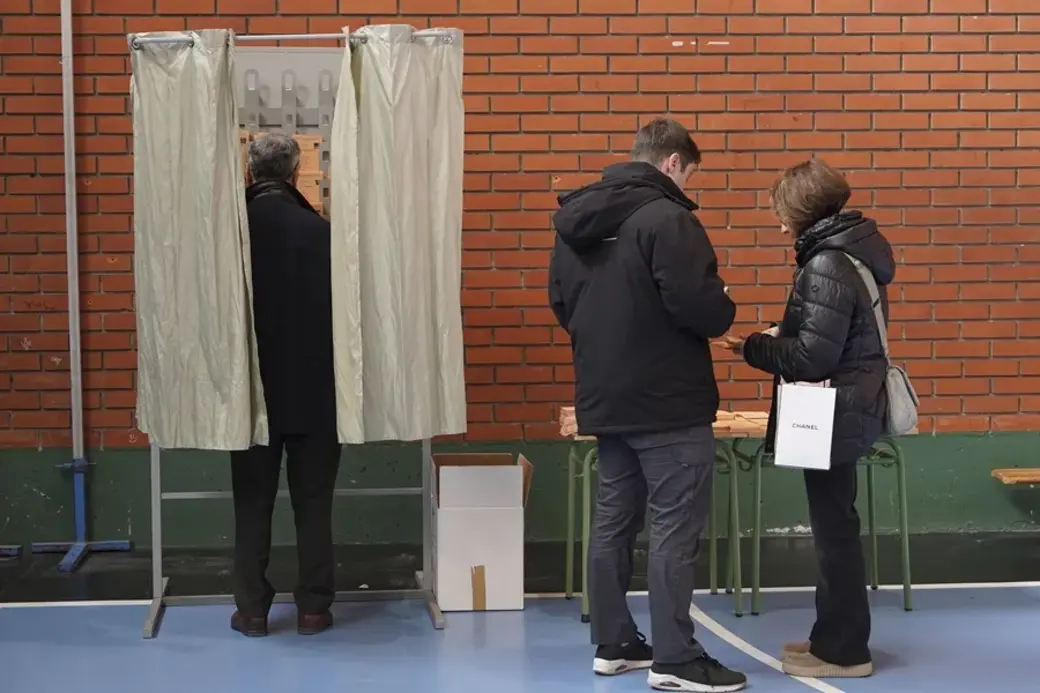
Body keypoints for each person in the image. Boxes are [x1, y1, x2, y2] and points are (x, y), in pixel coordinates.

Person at [549, 118, 746, 692]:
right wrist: (724, 304)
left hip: (605, 398)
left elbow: (562, 305)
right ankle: (676, 660)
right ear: (671, 164)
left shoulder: (573, 224)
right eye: (690, 173)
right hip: (668, 402)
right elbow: (701, 309)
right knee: (674, 528)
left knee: (613, 521)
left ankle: (615, 644)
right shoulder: (669, 219)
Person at [718, 158, 895, 678]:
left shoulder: (826, 264)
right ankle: (830, 639)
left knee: (835, 533)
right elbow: (829, 339)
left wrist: (752, 347)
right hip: (850, 407)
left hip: (833, 414)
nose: (778, 225)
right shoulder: (850, 254)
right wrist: (782, 333)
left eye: (782, 213)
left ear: (802, 211)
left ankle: (845, 652)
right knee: (836, 527)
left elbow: (813, 359)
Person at [229, 134, 341, 638]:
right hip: (316, 393)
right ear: (297, 175)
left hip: (251, 393)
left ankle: (252, 610)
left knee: (252, 503)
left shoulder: (231, 239)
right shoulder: (324, 236)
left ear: (250, 175)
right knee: (314, 504)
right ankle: (314, 609)